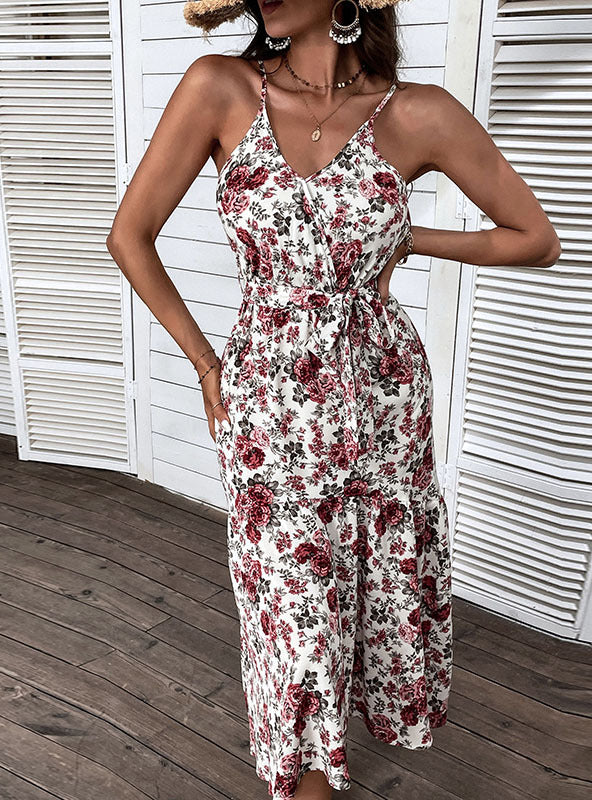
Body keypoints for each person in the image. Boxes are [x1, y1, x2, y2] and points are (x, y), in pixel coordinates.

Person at [106, 2, 561, 798]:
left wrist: (410, 240)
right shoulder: (220, 88)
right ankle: (307, 775)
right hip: (270, 405)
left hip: (383, 404)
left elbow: (535, 237)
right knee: (294, 618)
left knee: (376, 587)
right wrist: (208, 367)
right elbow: (129, 235)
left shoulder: (417, 113)